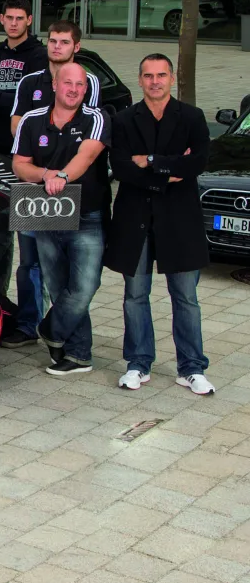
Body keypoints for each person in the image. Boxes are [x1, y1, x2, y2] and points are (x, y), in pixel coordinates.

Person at [105, 53, 214, 394]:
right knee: (135, 295)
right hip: (135, 218)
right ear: (140, 80)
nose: (155, 81)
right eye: (149, 76)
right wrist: (168, 173)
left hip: (179, 220)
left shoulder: (192, 117)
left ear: (172, 78)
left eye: (161, 75)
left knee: (186, 297)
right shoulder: (123, 119)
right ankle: (138, 363)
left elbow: (198, 162)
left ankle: (192, 368)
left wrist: (150, 160)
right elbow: (121, 168)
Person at [12, 61, 110, 376]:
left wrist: (63, 177)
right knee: (57, 285)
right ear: (55, 85)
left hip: (87, 214)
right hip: (45, 211)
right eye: (68, 83)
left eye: (80, 85)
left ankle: (50, 329)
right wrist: (45, 174)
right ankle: (77, 354)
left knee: (85, 285)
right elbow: (19, 165)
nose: (74, 90)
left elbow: (87, 155)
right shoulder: (31, 120)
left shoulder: (97, 117)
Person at [0, 0, 48, 346]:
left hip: (27, 161)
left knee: (31, 242)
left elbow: (33, 104)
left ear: (29, 20)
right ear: (1, 19)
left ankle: (32, 320)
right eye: (9, 17)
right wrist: (9, 98)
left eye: (20, 18)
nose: (14, 23)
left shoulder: (39, 56)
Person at [10, 19, 100, 137]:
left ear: (76, 47)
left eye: (64, 42)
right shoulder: (28, 81)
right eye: (52, 41)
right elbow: (16, 126)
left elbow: (90, 126)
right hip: (35, 147)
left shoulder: (88, 81)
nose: (57, 46)